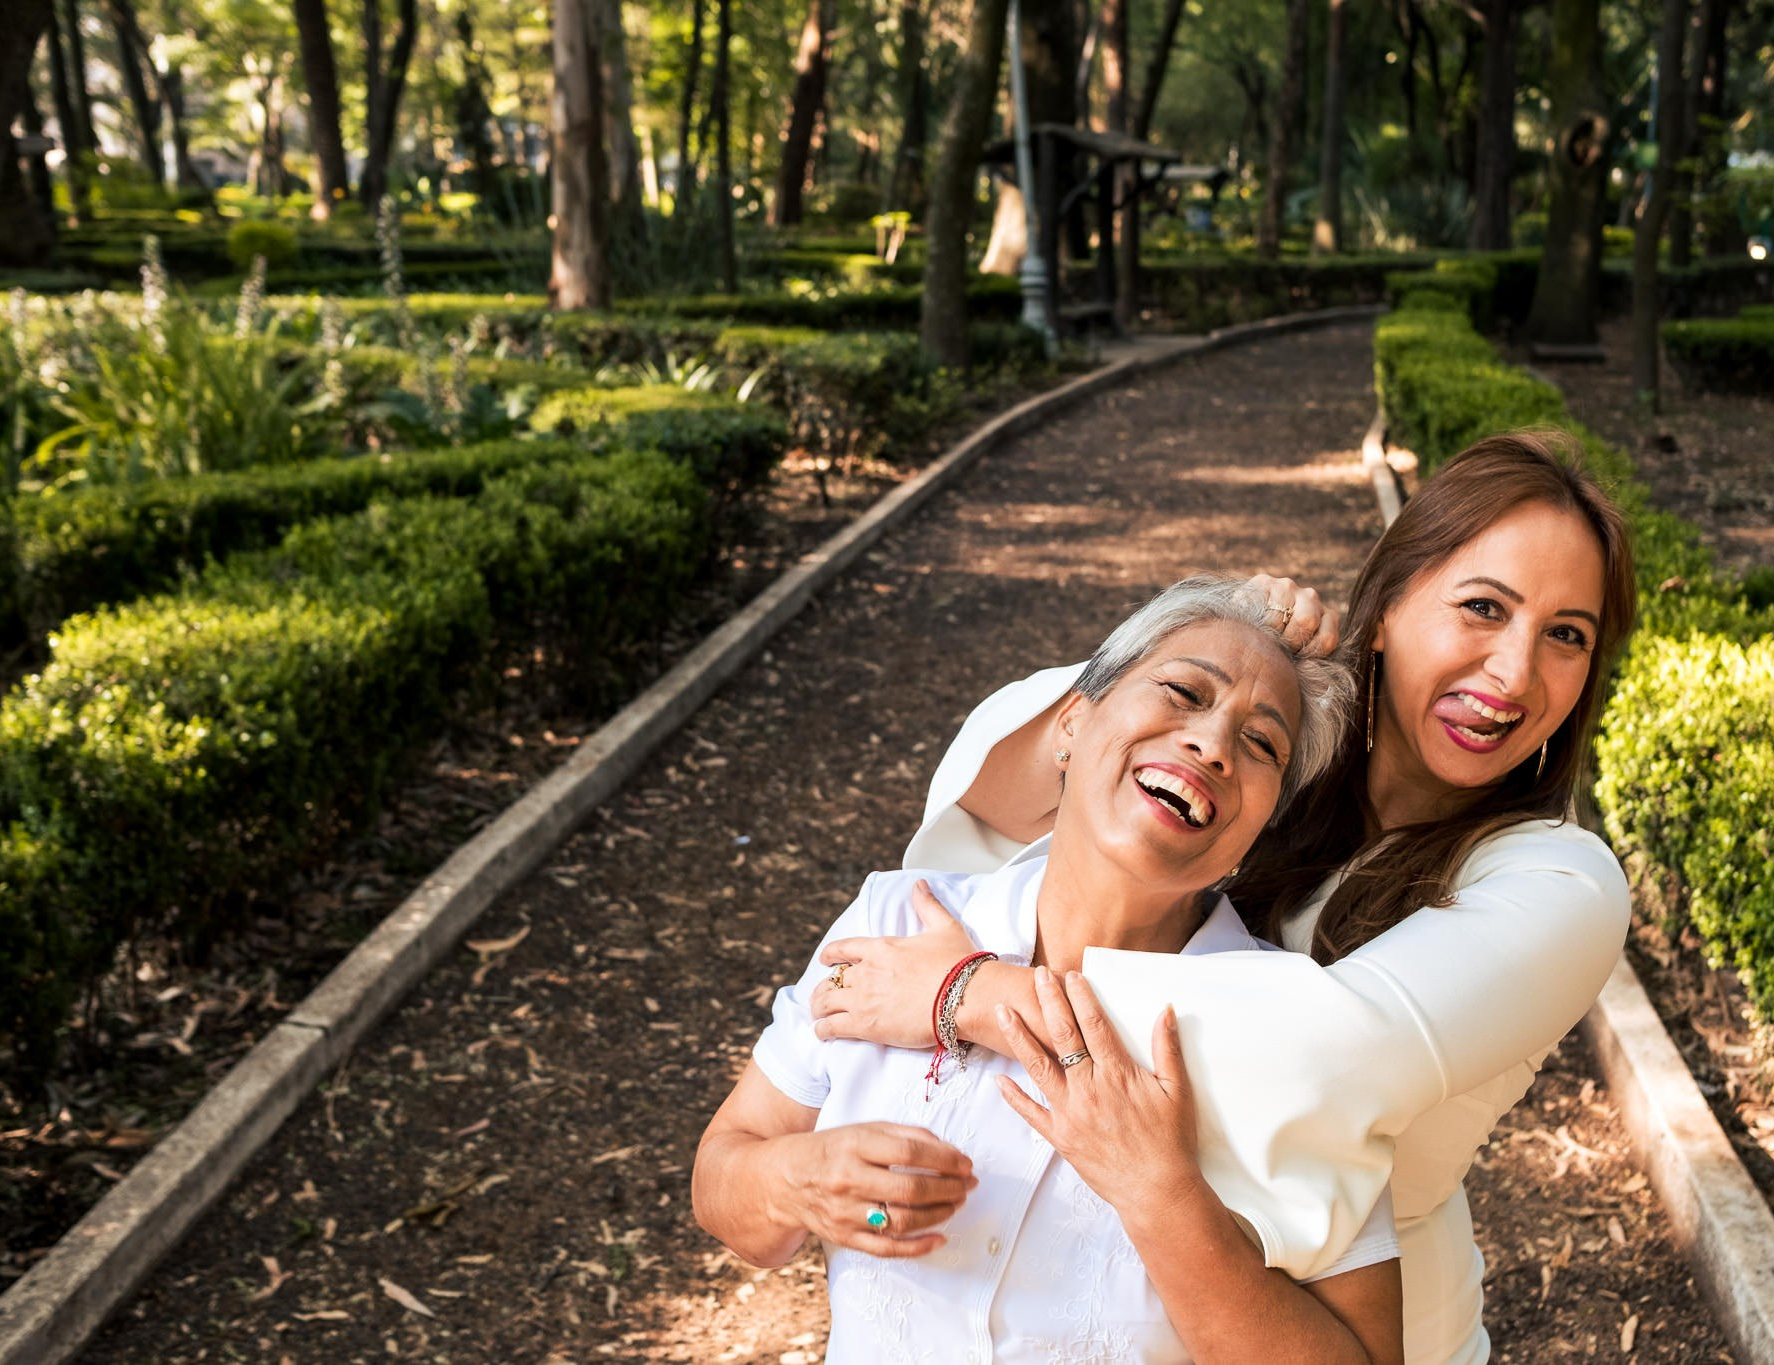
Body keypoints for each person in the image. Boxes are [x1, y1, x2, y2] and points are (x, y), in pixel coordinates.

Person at [809, 431, 1640, 1364]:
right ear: (1389, 602)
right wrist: (1209, 639)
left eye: (1566, 635)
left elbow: (1326, 1051)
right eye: (1484, 606)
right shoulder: (1269, 758)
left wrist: (974, 993)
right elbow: (993, 797)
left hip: (1345, 1320)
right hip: (1115, 1290)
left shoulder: (1564, 882)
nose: (1514, 672)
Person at [694, 578, 1405, 1364]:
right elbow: (728, 1173)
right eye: (1182, 690)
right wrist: (799, 1180)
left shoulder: (1291, 1026)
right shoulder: (896, 919)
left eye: (1262, 743)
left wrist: (1162, 1195)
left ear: (1259, 829)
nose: (1211, 745)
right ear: (1072, 723)